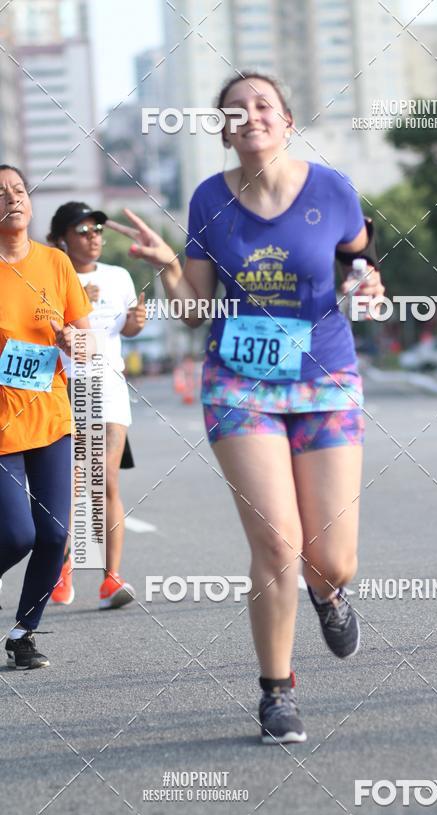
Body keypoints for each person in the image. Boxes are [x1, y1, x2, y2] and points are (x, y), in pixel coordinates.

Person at [108, 71, 384, 743]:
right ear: (225, 131)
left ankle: (328, 592)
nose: (251, 115)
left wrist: (367, 283)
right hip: (239, 382)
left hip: (326, 378)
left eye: (263, 105)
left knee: (331, 559)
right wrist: (169, 264)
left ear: (287, 120)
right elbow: (197, 311)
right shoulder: (209, 199)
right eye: (236, 110)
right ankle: (277, 689)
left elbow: (358, 260)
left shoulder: (333, 190)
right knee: (277, 542)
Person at [0, 165, 91, 668]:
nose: (11, 199)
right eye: (0, 194)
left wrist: (74, 341)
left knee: (55, 534)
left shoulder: (55, 263)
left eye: (17, 190)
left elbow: (86, 336)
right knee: (18, 534)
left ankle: (22, 634)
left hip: (51, 418)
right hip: (1, 425)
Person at [46, 202, 146, 610]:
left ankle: (110, 578)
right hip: (63, 383)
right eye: (83, 230)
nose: (93, 237)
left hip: (109, 383)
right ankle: (62, 566)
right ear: (61, 240)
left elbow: (129, 328)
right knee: (71, 484)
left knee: (105, 481)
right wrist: (74, 307)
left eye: (97, 230)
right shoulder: (51, 274)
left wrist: (137, 320)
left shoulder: (119, 276)